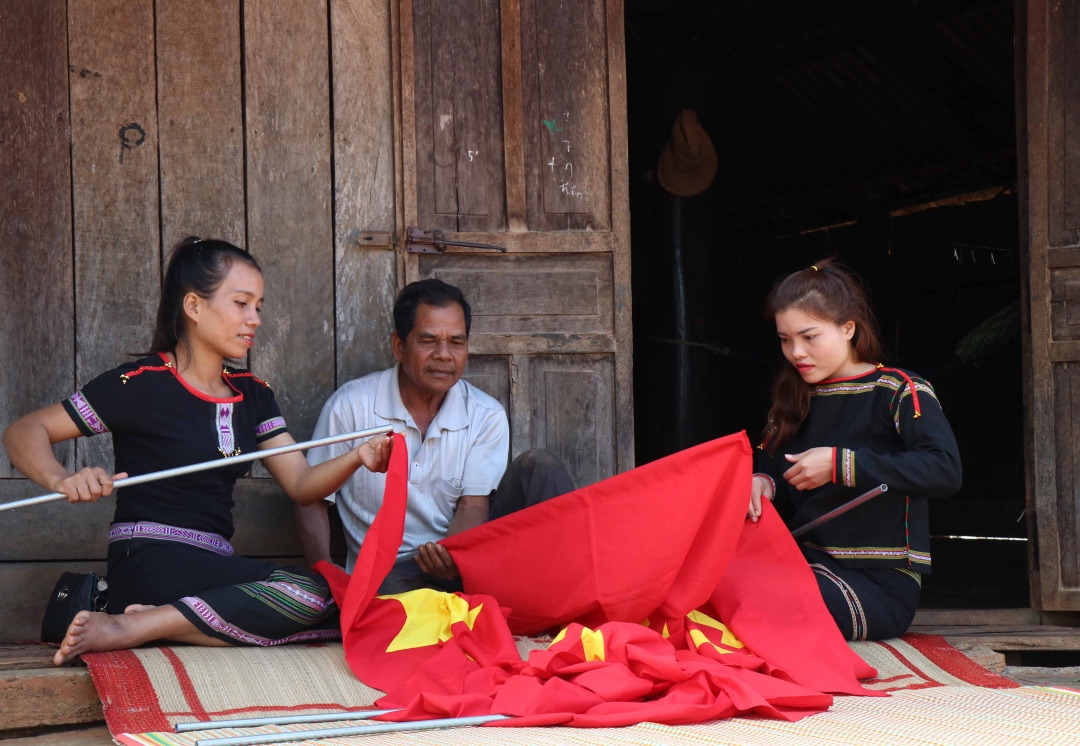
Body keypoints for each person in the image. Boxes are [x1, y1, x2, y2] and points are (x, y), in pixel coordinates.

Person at [3, 238, 393, 665]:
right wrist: (61, 478)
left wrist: (359, 457)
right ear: (193, 306)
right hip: (148, 561)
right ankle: (129, 624)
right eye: (242, 303)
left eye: (258, 306)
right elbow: (26, 430)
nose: (254, 318)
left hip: (211, 567)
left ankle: (147, 623)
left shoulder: (252, 394)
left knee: (343, 601)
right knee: (311, 596)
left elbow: (301, 484)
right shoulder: (142, 383)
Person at [296, 279, 575, 594]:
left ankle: (560, 598)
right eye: (428, 340)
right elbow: (312, 499)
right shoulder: (350, 406)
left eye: (457, 342)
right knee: (393, 594)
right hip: (386, 573)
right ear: (399, 346)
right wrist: (322, 578)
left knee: (541, 467)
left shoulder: (486, 414)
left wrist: (452, 556)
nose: (444, 355)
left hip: (463, 557)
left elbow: (473, 505)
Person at [748, 260, 962, 641]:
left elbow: (943, 469)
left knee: (759, 597)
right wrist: (762, 481)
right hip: (806, 563)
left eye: (809, 336)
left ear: (848, 328)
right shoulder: (792, 396)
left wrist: (840, 465)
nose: (796, 351)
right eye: (785, 339)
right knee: (718, 575)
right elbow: (770, 465)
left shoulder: (899, 390)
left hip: (877, 585)